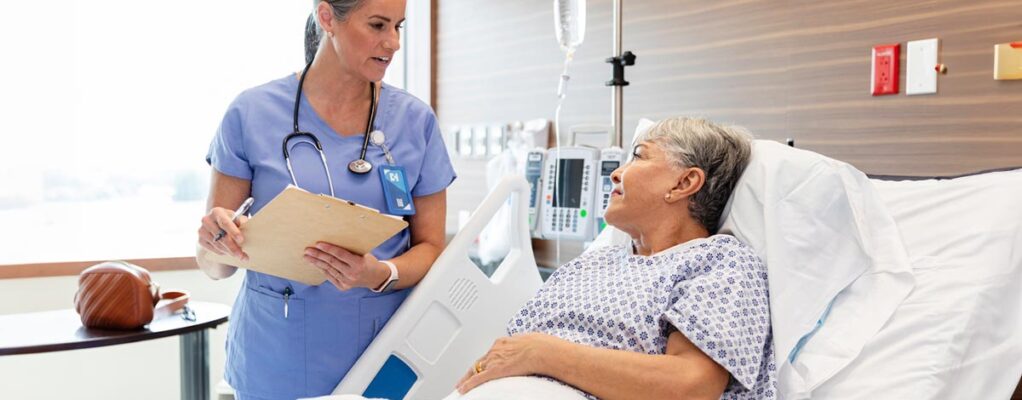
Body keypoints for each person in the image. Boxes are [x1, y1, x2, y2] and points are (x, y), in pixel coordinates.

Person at [195, 0, 456, 399]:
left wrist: (379, 273)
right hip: (275, 359)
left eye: (399, 26)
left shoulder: (414, 121)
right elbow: (215, 264)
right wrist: (215, 243)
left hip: (385, 355)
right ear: (327, 17)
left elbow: (433, 247)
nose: (394, 42)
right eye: (378, 25)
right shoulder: (251, 113)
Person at [453, 117, 776, 399]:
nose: (617, 173)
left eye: (638, 157)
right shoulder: (592, 263)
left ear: (684, 183)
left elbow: (691, 386)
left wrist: (542, 353)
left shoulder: (719, 262)